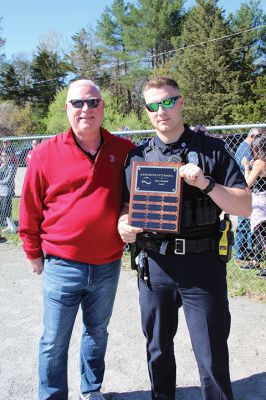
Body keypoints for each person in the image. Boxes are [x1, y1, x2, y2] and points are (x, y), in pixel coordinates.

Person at [118, 76, 252, 400]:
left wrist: (207, 184)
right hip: (155, 266)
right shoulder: (137, 158)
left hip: (202, 268)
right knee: (158, 352)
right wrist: (123, 225)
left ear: (181, 102)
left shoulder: (212, 151)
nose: (160, 110)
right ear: (146, 111)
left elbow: (245, 205)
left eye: (167, 101)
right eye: (153, 105)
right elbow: (125, 206)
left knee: (211, 358)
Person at [19, 79, 135, 400]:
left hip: (108, 264)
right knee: (54, 341)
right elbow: (29, 207)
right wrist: (32, 251)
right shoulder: (45, 153)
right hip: (62, 266)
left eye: (93, 102)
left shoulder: (124, 151)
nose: (86, 109)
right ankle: (53, 396)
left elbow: (140, 194)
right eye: (78, 103)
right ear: (67, 108)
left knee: (97, 333)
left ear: (103, 108)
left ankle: (91, 389)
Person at [234, 127, 263, 263]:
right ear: (252, 137)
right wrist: (247, 166)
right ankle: (241, 253)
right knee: (245, 223)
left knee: (253, 226)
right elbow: (247, 180)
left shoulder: (257, 157)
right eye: (258, 137)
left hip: (255, 193)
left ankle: (249, 253)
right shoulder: (245, 149)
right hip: (246, 190)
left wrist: (249, 166)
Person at [242, 132, 266, 277]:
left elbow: (248, 184)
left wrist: (246, 167)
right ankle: (256, 260)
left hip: (260, 201)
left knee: (260, 233)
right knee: (261, 233)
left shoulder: (259, 163)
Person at [0, 152, 17, 233]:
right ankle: (9, 226)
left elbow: (9, 179)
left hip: (7, 191)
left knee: (7, 209)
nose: (3, 158)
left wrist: (0, 181)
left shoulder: (11, 166)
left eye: (5, 156)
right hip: (1, 191)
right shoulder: (1, 166)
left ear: (8, 157)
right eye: (2, 156)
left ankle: (13, 227)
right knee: (3, 210)